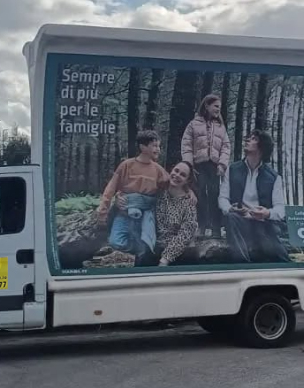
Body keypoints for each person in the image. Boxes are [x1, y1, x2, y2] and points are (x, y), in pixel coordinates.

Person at [97, 130, 168, 265]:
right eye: (154, 146)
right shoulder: (126, 165)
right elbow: (110, 189)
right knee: (115, 242)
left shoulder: (158, 170)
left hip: (145, 216)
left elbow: (172, 186)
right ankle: (139, 250)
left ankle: (142, 258)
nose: (158, 149)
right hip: (124, 212)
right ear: (142, 147)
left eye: (159, 146)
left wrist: (189, 192)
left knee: (145, 245)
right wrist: (103, 212)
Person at [218, 129, 290, 263]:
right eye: (248, 138)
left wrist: (266, 213)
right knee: (230, 217)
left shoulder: (274, 177)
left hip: (262, 225)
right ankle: (242, 266)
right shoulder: (232, 169)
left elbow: (280, 209)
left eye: (253, 139)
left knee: (280, 258)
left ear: (262, 147)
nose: (247, 140)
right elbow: (223, 198)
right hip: (240, 222)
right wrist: (230, 208)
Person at [117, 161, 199, 266]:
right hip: (151, 244)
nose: (177, 175)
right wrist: (119, 197)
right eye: (176, 171)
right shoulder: (158, 190)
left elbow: (185, 235)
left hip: (175, 250)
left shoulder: (189, 203)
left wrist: (166, 259)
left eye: (182, 175)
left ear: (187, 181)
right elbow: (136, 191)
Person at [180, 93, 231, 238]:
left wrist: (222, 164)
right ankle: (200, 227)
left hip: (214, 167)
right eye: (215, 106)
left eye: (219, 107)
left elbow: (226, 146)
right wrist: (189, 164)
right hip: (198, 166)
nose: (218, 110)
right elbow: (186, 145)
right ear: (206, 105)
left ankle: (216, 229)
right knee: (199, 195)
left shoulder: (221, 126)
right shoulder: (193, 124)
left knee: (215, 196)